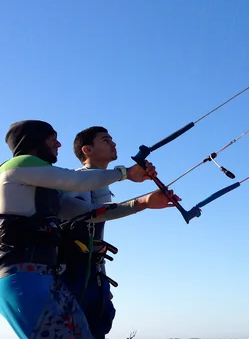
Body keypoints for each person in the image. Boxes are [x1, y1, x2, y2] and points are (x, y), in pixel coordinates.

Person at [0, 119, 157, 339]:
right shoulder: (18, 165)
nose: (59, 145)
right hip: (23, 277)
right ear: (34, 140)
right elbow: (75, 179)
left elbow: (88, 212)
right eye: (52, 139)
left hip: (46, 277)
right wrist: (125, 173)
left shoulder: (46, 189)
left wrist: (145, 202)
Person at [57, 126, 180, 339]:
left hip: (91, 274)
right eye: (105, 140)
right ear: (87, 150)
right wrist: (143, 202)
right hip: (72, 275)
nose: (113, 144)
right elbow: (82, 214)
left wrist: (101, 280)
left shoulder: (101, 183)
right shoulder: (77, 179)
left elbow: (95, 225)